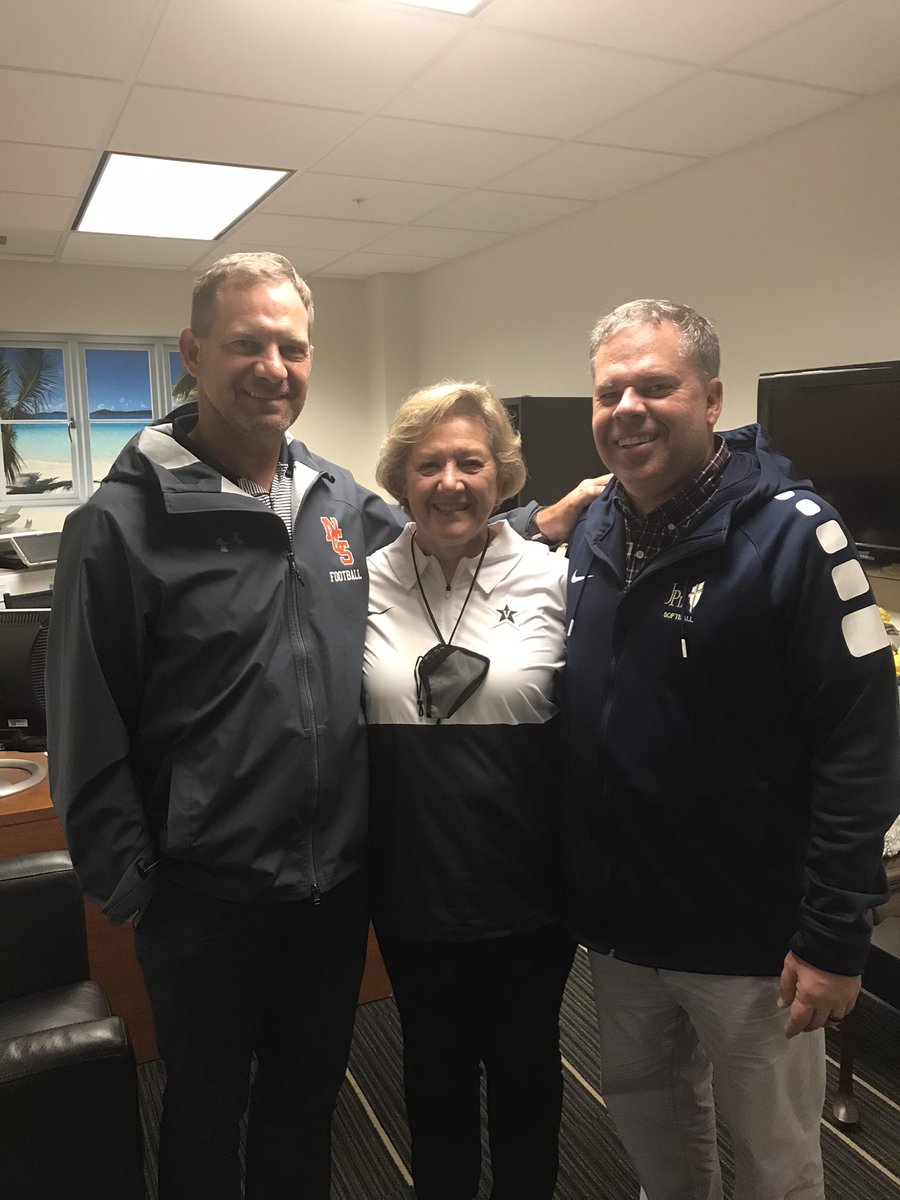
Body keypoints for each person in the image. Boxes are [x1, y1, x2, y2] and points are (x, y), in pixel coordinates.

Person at [44, 252, 601, 1200]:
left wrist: (538, 524)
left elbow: (446, 533)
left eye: (292, 348)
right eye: (246, 344)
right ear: (192, 353)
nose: (273, 367)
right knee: (204, 1116)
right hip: (204, 895)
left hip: (335, 893)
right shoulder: (117, 523)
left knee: (306, 1110)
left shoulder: (338, 504)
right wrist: (137, 884)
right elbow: (83, 718)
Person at [561, 299, 899, 1200]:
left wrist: (835, 936)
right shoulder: (596, 527)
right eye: (609, 391)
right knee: (651, 1127)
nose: (627, 408)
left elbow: (863, 747)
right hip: (624, 924)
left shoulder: (797, 534)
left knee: (776, 1163)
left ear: (711, 399)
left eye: (655, 386)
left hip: (754, 939)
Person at [363, 381, 576, 1200]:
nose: (449, 481)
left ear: (503, 475)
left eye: (470, 462)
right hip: (410, 889)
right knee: (432, 1074)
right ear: (400, 478)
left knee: (527, 1073)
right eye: (428, 465)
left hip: (530, 892)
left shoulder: (555, 579)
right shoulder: (362, 585)